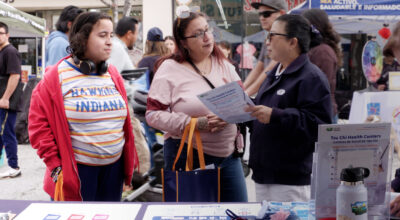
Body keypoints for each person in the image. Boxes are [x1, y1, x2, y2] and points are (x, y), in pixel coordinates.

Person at [28, 12, 139, 201]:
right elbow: (38, 127)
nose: (110, 42)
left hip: (113, 171)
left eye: (111, 35)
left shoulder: (112, 73)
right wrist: (56, 168)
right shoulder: (54, 77)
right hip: (76, 173)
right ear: (82, 38)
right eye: (102, 35)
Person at [146, 11, 248, 202]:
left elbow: (243, 104)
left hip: (229, 157)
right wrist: (194, 123)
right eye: (198, 33)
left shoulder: (223, 65)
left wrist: (228, 117)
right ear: (183, 42)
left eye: (208, 30)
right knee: (192, 214)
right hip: (188, 156)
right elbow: (153, 115)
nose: (207, 37)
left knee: (237, 212)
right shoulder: (169, 68)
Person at [245, 14, 332, 202]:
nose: (266, 42)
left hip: (290, 180)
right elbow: (264, 117)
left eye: (272, 36)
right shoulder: (274, 74)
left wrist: (276, 115)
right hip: (263, 174)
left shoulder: (311, 77)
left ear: (292, 42)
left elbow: (319, 126)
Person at [302, 8, 342, 123]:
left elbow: (322, 87)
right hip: (318, 113)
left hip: (322, 115)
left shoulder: (322, 51)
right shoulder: (316, 49)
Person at [244, 0, 286, 96]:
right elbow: (259, 67)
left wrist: (246, 93)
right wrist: (242, 88)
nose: (262, 18)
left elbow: (271, 69)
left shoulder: (285, 38)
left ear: (282, 13)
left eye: (266, 14)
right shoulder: (268, 38)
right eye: (260, 14)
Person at [0, 22, 22, 178]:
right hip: (1, 100)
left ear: (7, 35)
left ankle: (14, 166)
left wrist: (5, 98)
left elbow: (15, 76)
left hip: (6, 101)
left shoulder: (10, 52)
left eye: (0, 33)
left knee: (7, 133)